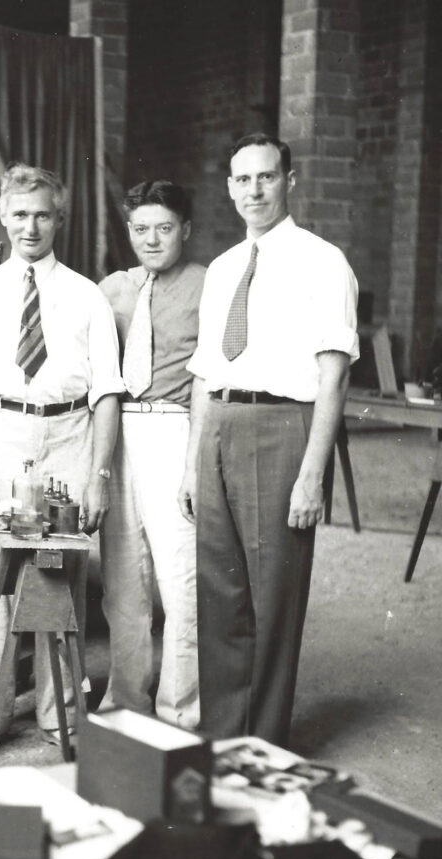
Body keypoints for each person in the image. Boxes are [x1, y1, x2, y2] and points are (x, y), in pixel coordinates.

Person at [178, 133, 358, 746]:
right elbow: (206, 372)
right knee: (221, 594)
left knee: (272, 598)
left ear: (290, 179)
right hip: (220, 429)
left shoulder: (322, 261)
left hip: (284, 429)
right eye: (242, 180)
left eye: (267, 177)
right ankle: (225, 737)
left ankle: (265, 744)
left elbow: (334, 375)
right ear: (229, 188)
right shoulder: (225, 267)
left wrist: (313, 472)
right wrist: (190, 465)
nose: (254, 190)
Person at [0, 162, 123, 756]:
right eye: (20, 214)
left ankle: (60, 713)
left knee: (58, 577)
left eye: (43, 214)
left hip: (67, 436)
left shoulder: (86, 295)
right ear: (3, 216)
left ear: (59, 219)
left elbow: (106, 394)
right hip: (1, 437)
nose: (31, 225)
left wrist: (98, 478)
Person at [98, 180, 203, 729]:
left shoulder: (209, 285)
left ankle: (181, 709)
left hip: (173, 429)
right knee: (122, 579)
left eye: (164, 228)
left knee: (180, 576)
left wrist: (195, 463)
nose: (152, 240)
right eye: (141, 229)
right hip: (118, 434)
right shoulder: (113, 288)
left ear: (185, 229)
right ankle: (125, 702)